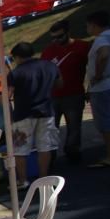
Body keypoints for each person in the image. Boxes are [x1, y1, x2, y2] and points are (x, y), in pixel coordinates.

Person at [7, 41, 62, 186]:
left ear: (17, 57)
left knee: (20, 149)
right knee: (45, 147)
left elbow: (7, 95)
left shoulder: (16, 73)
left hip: (23, 114)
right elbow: (59, 84)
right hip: (46, 111)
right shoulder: (50, 66)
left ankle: (23, 180)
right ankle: (43, 179)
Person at [39, 20, 91, 163]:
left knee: (74, 126)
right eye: (53, 38)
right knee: (51, 127)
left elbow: (92, 69)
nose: (56, 40)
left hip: (74, 94)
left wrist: (89, 88)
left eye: (60, 36)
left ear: (68, 32)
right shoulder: (48, 51)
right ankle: (51, 154)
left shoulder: (82, 47)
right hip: (52, 97)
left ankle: (72, 151)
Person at [85, 10, 110, 168]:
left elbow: (104, 54)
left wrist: (98, 75)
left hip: (104, 85)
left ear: (94, 25)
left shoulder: (102, 39)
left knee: (107, 121)